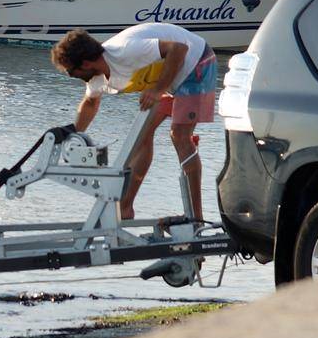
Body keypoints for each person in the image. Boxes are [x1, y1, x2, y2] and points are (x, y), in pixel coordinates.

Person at [50, 22, 218, 221]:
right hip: (170, 77)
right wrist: (74, 136)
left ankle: (196, 218)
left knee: (180, 136)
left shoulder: (125, 51)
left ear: (86, 64)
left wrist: (157, 90)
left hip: (197, 62)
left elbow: (179, 49)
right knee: (141, 135)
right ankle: (126, 208)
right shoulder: (97, 78)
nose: (72, 77)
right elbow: (90, 102)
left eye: (71, 72)